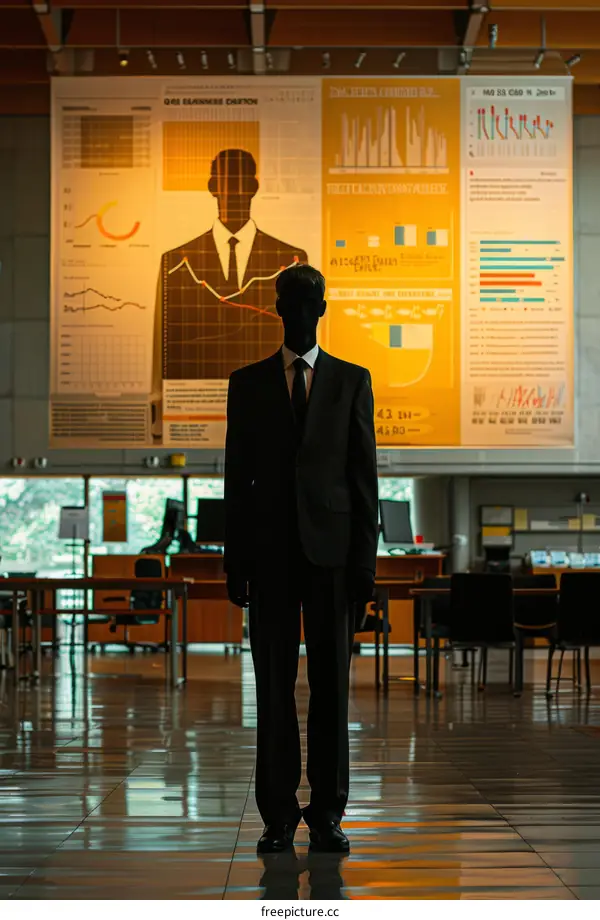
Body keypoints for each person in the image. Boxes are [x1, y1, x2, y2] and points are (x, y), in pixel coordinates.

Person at [224, 264, 378, 855]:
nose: (299, 311)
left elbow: (362, 479)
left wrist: (365, 567)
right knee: (273, 690)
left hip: (333, 561)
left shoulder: (350, 381)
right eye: (290, 301)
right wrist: (234, 560)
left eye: (309, 301)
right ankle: (278, 815)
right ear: (277, 309)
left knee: (331, 692)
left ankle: (329, 814)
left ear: (322, 309)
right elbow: (238, 478)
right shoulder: (249, 383)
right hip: (268, 559)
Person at [153, 148, 308, 388]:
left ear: (253, 188)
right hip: (196, 395)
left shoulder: (291, 260)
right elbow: (169, 347)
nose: (234, 191)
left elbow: (300, 342)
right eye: (226, 182)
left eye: (241, 182)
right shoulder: (175, 263)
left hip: (269, 394)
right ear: (212, 187)